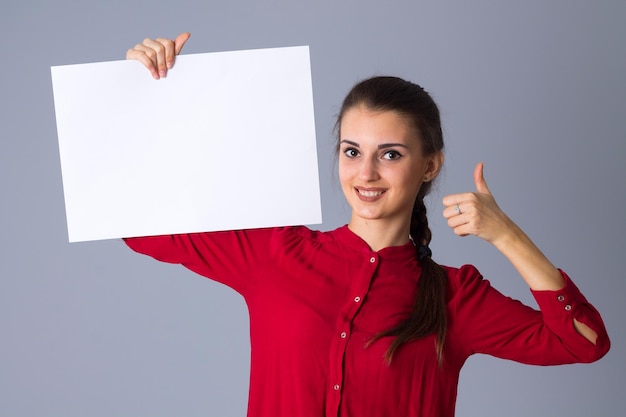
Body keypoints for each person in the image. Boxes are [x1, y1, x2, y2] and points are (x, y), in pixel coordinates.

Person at [123, 33, 609, 417]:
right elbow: (137, 223)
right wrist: (141, 91)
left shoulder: (453, 298)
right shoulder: (275, 253)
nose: (366, 174)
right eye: (352, 151)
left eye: (390, 155)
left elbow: (584, 343)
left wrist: (506, 235)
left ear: (430, 165)